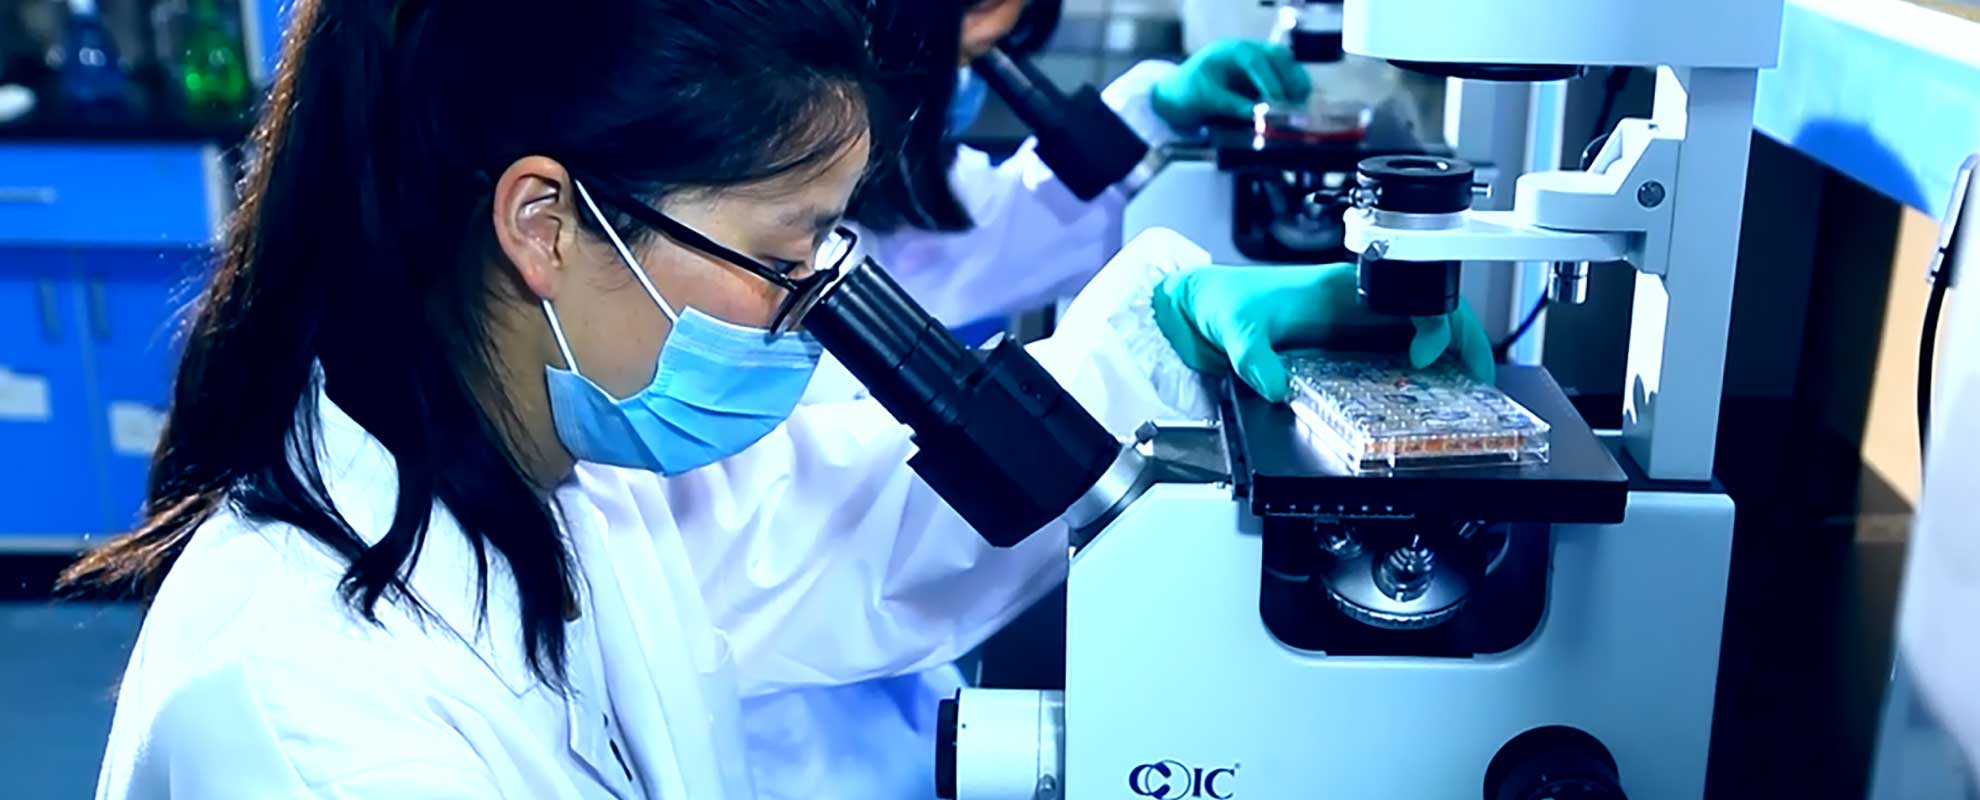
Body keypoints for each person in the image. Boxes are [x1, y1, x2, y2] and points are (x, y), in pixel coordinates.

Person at [65, 1, 1490, 798]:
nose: (812, 307)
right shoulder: (314, 722)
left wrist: (1165, 330)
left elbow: (854, 527)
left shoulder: (550, 472)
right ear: (546, 224)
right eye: (785, 254)